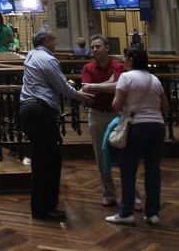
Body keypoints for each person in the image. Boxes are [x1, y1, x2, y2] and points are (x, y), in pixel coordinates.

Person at [18, 28, 94, 222]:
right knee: (49, 161)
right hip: (40, 110)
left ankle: (41, 207)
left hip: (28, 109)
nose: (55, 42)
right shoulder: (48, 59)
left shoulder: (31, 55)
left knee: (43, 159)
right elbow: (61, 87)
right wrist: (79, 95)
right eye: (53, 39)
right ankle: (44, 209)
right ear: (45, 41)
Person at [105, 45, 169, 227]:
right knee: (153, 170)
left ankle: (126, 212)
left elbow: (116, 105)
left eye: (124, 58)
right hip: (157, 126)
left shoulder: (126, 77)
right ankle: (152, 213)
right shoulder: (154, 79)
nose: (122, 61)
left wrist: (127, 109)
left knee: (128, 169)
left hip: (137, 128)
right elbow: (165, 107)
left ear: (131, 60)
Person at [80, 34, 125, 206]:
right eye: (92, 47)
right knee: (101, 157)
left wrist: (94, 87)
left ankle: (131, 194)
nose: (94, 50)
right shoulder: (88, 67)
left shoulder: (119, 67)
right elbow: (86, 91)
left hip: (116, 114)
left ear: (107, 47)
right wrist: (108, 85)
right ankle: (109, 193)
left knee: (124, 154)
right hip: (96, 114)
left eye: (98, 46)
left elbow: (119, 88)